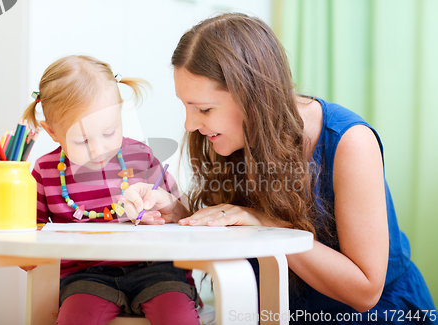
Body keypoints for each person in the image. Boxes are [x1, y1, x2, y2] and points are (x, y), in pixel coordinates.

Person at [123, 13, 437, 324]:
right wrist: (177, 213)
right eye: (186, 106)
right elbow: (232, 220)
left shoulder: (350, 142)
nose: (190, 124)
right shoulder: (232, 142)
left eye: (204, 109)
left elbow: (365, 291)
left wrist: (265, 226)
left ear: (253, 98)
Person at [23, 55, 200, 325]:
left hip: (156, 269)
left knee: (178, 318)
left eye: (109, 133)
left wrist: (162, 209)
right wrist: (29, 250)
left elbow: (184, 215)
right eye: (82, 140)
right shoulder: (45, 172)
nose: (98, 149)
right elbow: (29, 236)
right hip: (85, 278)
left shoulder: (141, 157)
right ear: (52, 132)